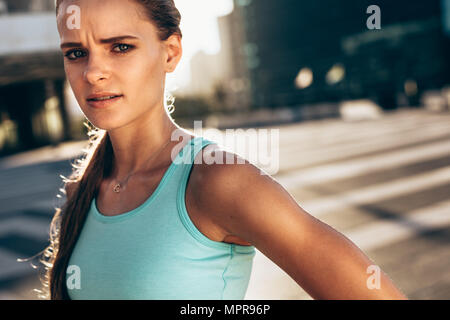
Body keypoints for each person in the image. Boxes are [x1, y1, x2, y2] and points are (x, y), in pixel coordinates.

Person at [41, 0, 407, 300]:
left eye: (120, 47)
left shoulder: (217, 181)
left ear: (171, 53)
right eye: (76, 53)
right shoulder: (81, 191)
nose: (93, 73)